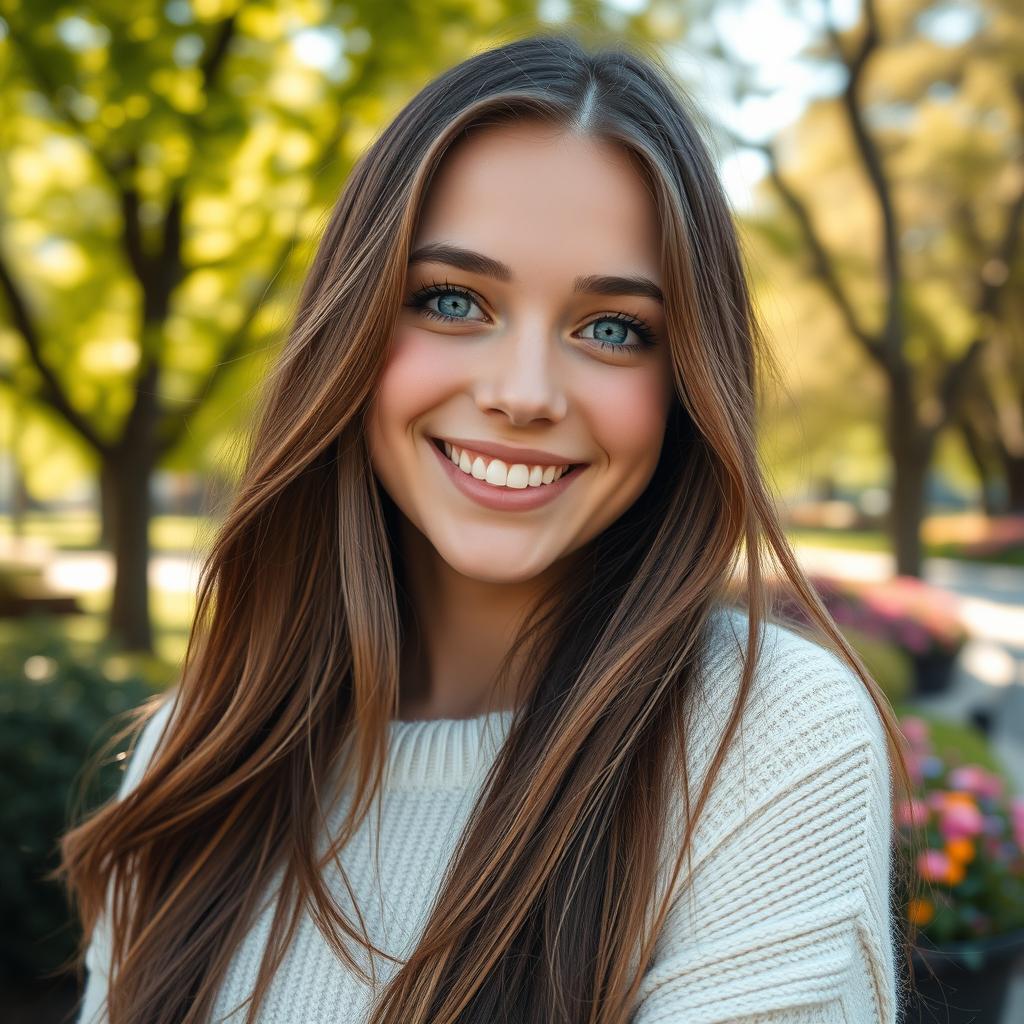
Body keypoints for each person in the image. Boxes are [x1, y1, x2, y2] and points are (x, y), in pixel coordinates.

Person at [60, 29, 916, 1024]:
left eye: (612, 329)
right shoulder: (194, 749)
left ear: (684, 382)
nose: (523, 394)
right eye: (453, 300)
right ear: (353, 327)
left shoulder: (764, 739)